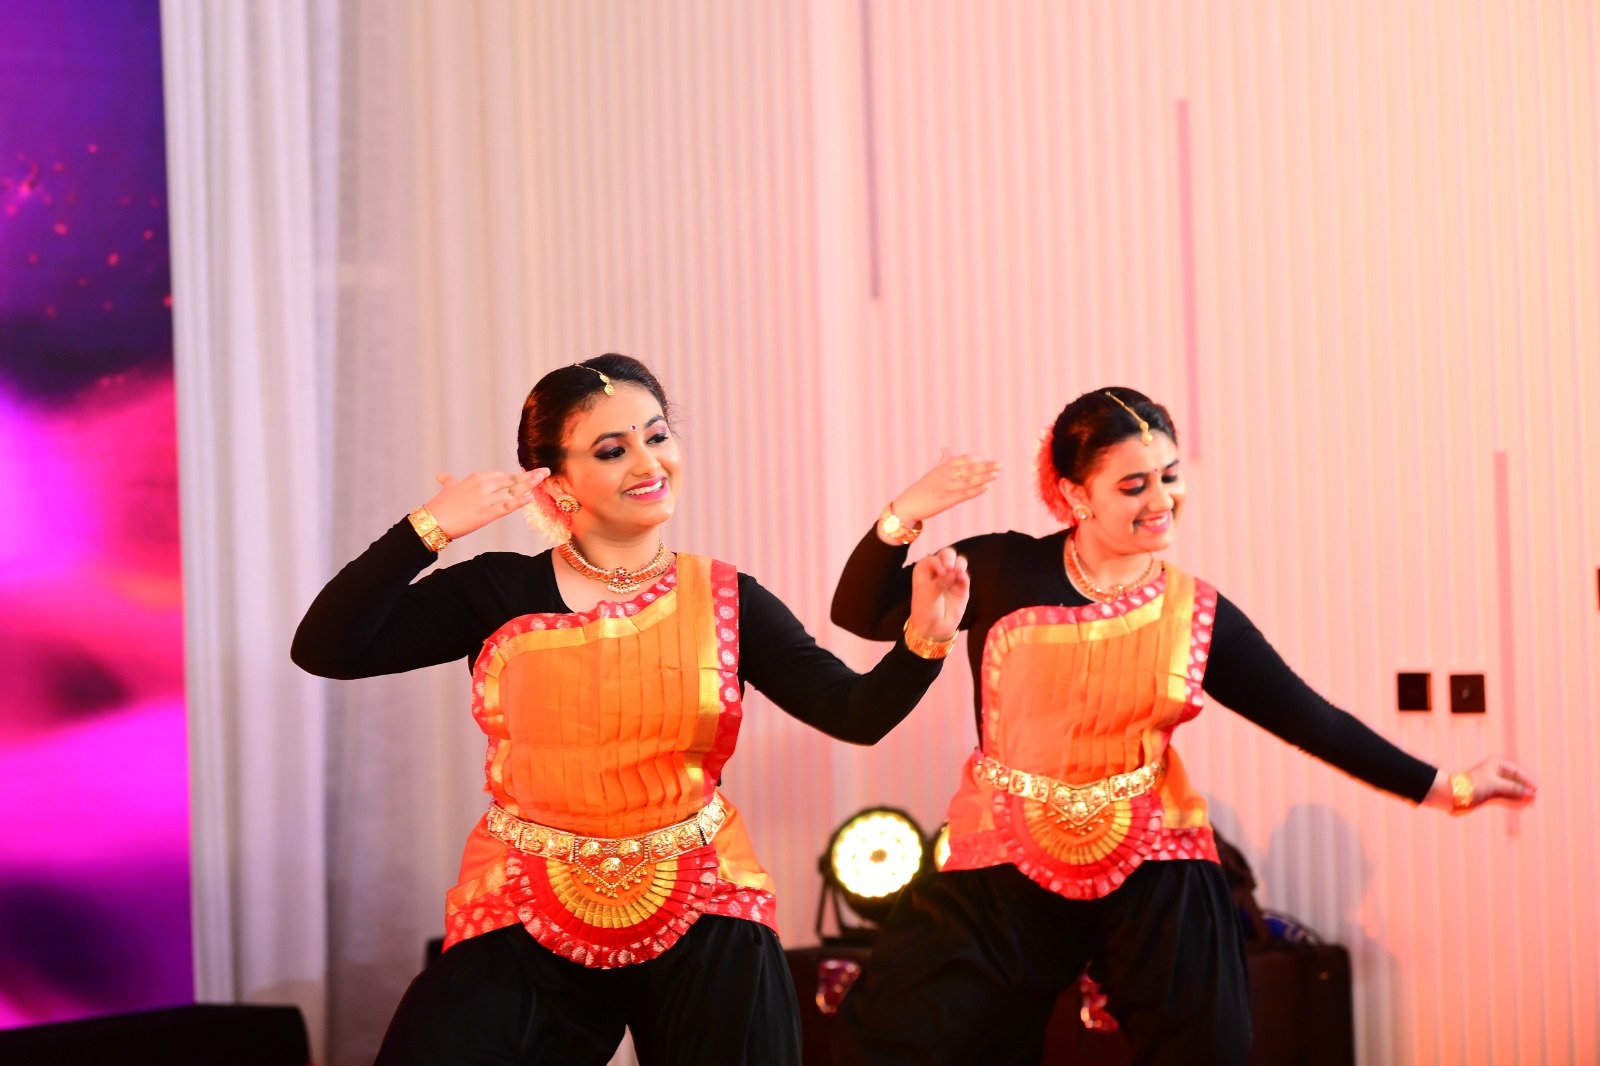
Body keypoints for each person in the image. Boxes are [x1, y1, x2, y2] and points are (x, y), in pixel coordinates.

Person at [291, 354, 971, 1066]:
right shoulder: (495, 592)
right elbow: (327, 648)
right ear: (557, 483)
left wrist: (925, 637)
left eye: (657, 435)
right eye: (612, 450)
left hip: (701, 897)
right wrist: (430, 527)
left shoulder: (726, 599)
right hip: (527, 893)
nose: (649, 463)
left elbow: (855, 713)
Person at [828, 388, 1537, 1066]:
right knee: (900, 1039)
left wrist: (1451, 787)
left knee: (1208, 1046)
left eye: (1170, 475)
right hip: (1005, 849)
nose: (1162, 500)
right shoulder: (999, 568)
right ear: (1076, 495)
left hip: (1152, 854)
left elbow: (1308, 717)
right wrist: (906, 512)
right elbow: (858, 612)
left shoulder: (1195, 612)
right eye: (1133, 485)